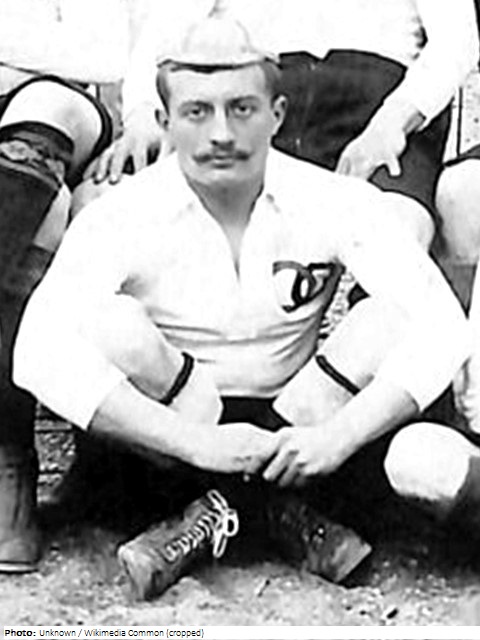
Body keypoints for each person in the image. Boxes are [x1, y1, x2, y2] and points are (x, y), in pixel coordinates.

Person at [12, 10, 471, 597]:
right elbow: (36, 350)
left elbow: (442, 325)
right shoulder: (122, 214)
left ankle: (221, 514)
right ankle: (267, 512)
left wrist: (339, 436)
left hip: (297, 438)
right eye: (197, 112)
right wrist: (195, 443)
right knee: (109, 323)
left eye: (242, 109)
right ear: (165, 120)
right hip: (161, 451)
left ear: (278, 115)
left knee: (389, 318)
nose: (221, 134)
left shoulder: (330, 198)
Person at [86, 0, 478, 253]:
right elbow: (165, 31)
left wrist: (392, 123)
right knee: (113, 210)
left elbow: (455, 43)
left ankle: (374, 350)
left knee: (396, 234)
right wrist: (142, 112)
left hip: (380, 104)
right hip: (263, 100)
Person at [0, 0, 129, 573]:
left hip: (53, 114)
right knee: (47, 216)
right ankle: (8, 452)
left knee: (44, 109)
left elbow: (104, 51)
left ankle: (7, 461)